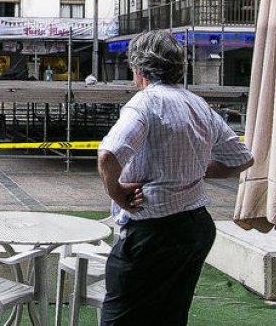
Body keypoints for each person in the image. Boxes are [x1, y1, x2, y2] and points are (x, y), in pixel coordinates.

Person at [96, 30, 253, 326]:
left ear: (139, 69)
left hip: (153, 235)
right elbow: (242, 159)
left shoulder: (145, 103)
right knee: (170, 317)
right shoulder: (198, 104)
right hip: (195, 229)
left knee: (121, 320)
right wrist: (194, 168)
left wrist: (117, 193)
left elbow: (108, 155)